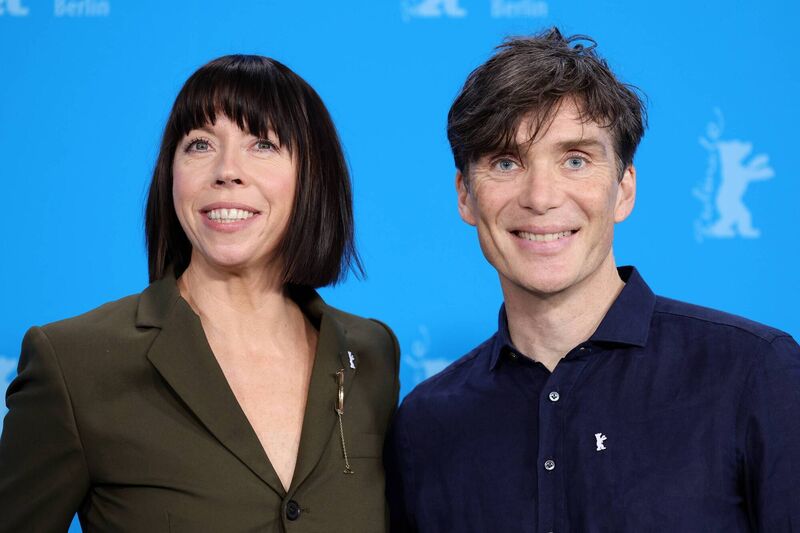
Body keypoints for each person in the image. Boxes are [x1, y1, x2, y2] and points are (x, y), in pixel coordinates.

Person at [385, 28, 800, 532]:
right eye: (506, 162)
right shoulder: (426, 425)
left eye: (575, 160)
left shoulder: (754, 372)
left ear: (623, 189)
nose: (541, 196)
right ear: (466, 197)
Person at [0, 55, 399, 532]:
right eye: (200, 145)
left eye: (263, 144)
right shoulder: (73, 363)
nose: (227, 170)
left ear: (313, 178)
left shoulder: (371, 355)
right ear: (171, 174)